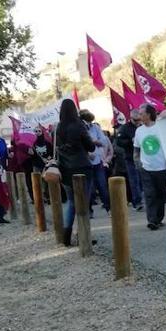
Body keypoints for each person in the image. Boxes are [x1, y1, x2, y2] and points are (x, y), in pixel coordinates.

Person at [57, 100, 96, 246]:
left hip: (65, 169)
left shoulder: (58, 127)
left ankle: (66, 236)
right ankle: (84, 236)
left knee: (71, 203)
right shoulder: (79, 125)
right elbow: (90, 147)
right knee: (83, 203)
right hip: (82, 166)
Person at [134, 104, 166, 230]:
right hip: (146, 168)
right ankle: (152, 220)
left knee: (160, 194)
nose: (139, 116)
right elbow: (136, 149)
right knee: (149, 194)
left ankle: (158, 218)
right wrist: (138, 163)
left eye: (142, 114)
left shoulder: (160, 127)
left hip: (161, 167)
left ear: (149, 114)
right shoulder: (139, 131)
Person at [79, 109, 110, 216]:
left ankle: (108, 208)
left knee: (102, 186)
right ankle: (89, 211)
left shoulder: (95, 127)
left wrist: (95, 142)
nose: (88, 124)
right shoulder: (79, 129)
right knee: (88, 189)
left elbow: (104, 141)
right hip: (85, 162)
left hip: (98, 161)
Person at [116, 109, 143, 211]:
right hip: (130, 157)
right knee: (134, 180)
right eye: (135, 120)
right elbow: (119, 142)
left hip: (143, 156)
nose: (137, 122)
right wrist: (129, 141)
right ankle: (137, 201)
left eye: (139, 120)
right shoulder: (125, 128)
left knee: (143, 180)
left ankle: (143, 197)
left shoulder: (142, 127)